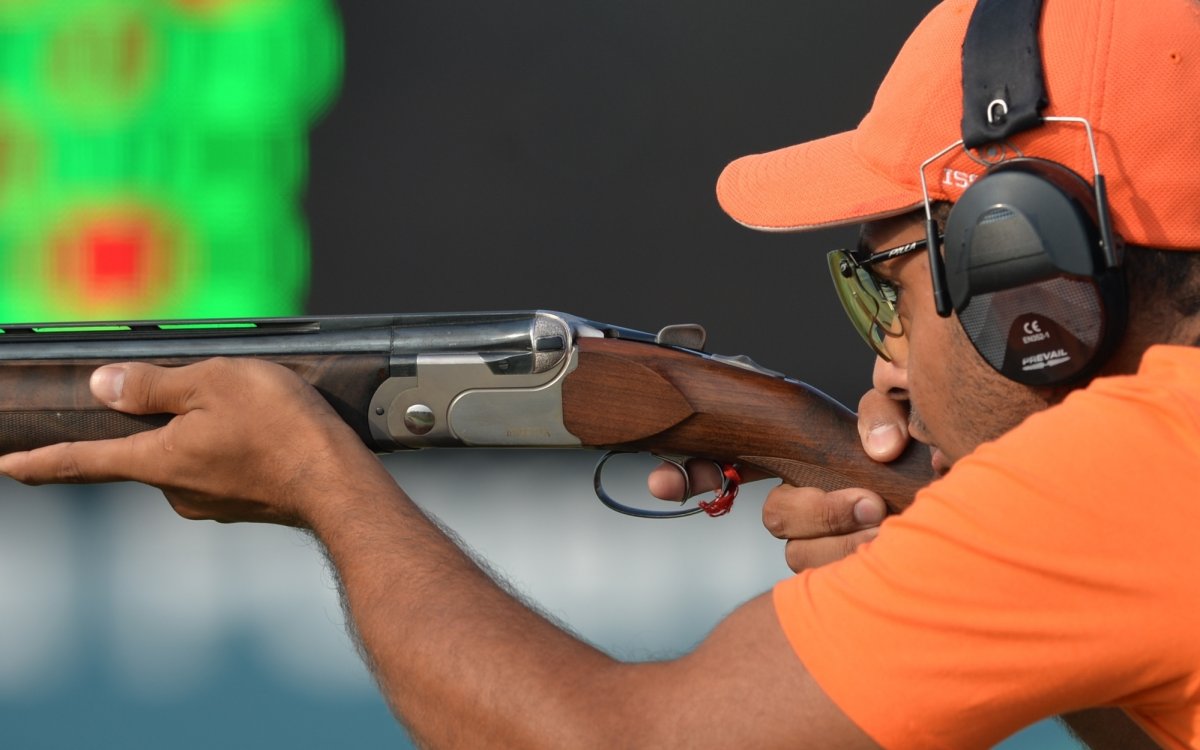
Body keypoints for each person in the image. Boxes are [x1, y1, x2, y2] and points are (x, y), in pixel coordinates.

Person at [3, 0, 1199, 747]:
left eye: (896, 271)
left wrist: (324, 490)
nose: (888, 340)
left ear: (1026, 274)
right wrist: (973, 556)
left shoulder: (1148, 465)